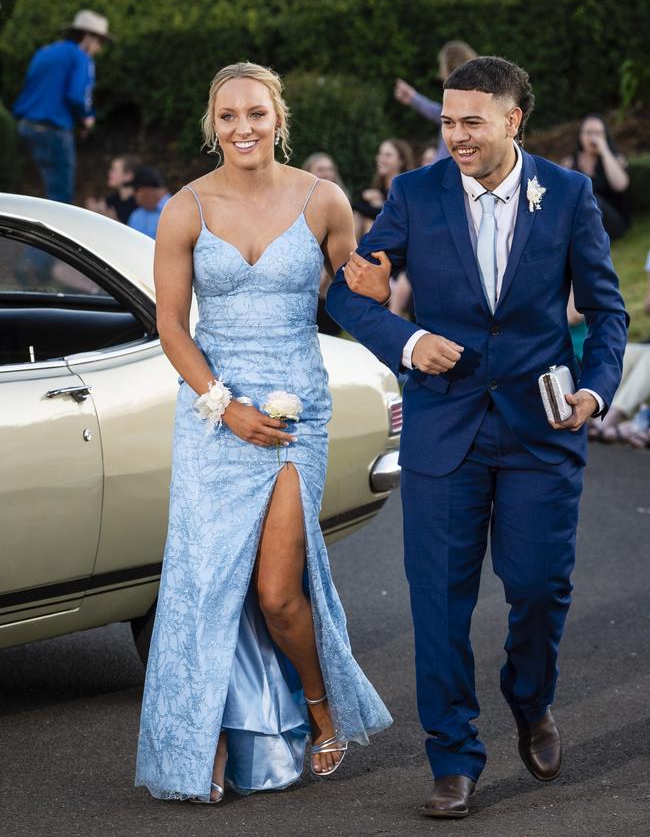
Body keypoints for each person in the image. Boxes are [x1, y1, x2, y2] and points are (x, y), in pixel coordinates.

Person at [327, 56, 627, 819]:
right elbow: (348, 291)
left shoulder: (567, 194)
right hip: (444, 426)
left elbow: (607, 309)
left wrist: (594, 390)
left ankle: (531, 700)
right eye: (446, 122)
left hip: (541, 430)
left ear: (512, 120)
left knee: (538, 588)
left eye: (471, 122)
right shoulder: (414, 192)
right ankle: (453, 755)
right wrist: (405, 339)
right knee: (439, 604)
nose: (455, 136)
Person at [135, 62, 391, 803]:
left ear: (279, 118)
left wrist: (375, 291)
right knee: (205, 586)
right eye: (227, 117)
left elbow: (356, 300)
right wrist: (222, 402)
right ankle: (203, 741)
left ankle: (319, 709)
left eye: (255, 113)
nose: (242, 128)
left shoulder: (324, 201)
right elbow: (171, 326)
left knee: (279, 593)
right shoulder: (185, 209)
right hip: (216, 413)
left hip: (293, 416)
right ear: (211, 127)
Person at [13, 10, 112, 204]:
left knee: (25, 192)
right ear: (88, 36)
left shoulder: (45, 52)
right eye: (100, 41)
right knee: (60, 198)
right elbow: (77, 96)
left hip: (25, 127)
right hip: (53, 131)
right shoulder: (82, 58)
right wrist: (86, 118)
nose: (99, 48)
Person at [394, 40, 477, 162]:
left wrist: (413, 98)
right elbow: (441, 113)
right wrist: (413, 98)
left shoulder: (459, 93)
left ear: (448, 65)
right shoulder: (473, 92)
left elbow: (442, 115)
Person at [561, 115, 631, 241]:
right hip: (583, 222)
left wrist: (604, 150)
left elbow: (621, 186)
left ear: (605, 136)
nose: (593, 137)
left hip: (613, 222)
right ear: (580, 136)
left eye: (598, 133)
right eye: (588, 132)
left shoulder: (614, 159)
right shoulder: (571, 163)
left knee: (591, 197)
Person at [302, 152, 349, 335]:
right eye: (321, 169)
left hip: (326, 294)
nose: (326, 174)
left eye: (330, 169)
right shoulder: (295, 207)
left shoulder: (342, 206)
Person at [353, 138, 414, 239]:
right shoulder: (377, 188)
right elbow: (356, 207)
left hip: (397, 239)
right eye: (380, 154)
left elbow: (397, 219)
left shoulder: (406, 189)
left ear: (401, 161)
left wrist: (378, 206)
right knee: (358, 217)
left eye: (388, 155)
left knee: (369, 222)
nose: (381, 159)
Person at [85, 154, 140, 223]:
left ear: (128, 176)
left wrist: (113, 219)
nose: (109, 173)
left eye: (114, 170)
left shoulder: (140, 204)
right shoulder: (111, 200)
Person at [127, 166, 171, 239]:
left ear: (149, 190)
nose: (133, 194)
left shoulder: (177, 211)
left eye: (136, 190)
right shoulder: (136, 215)